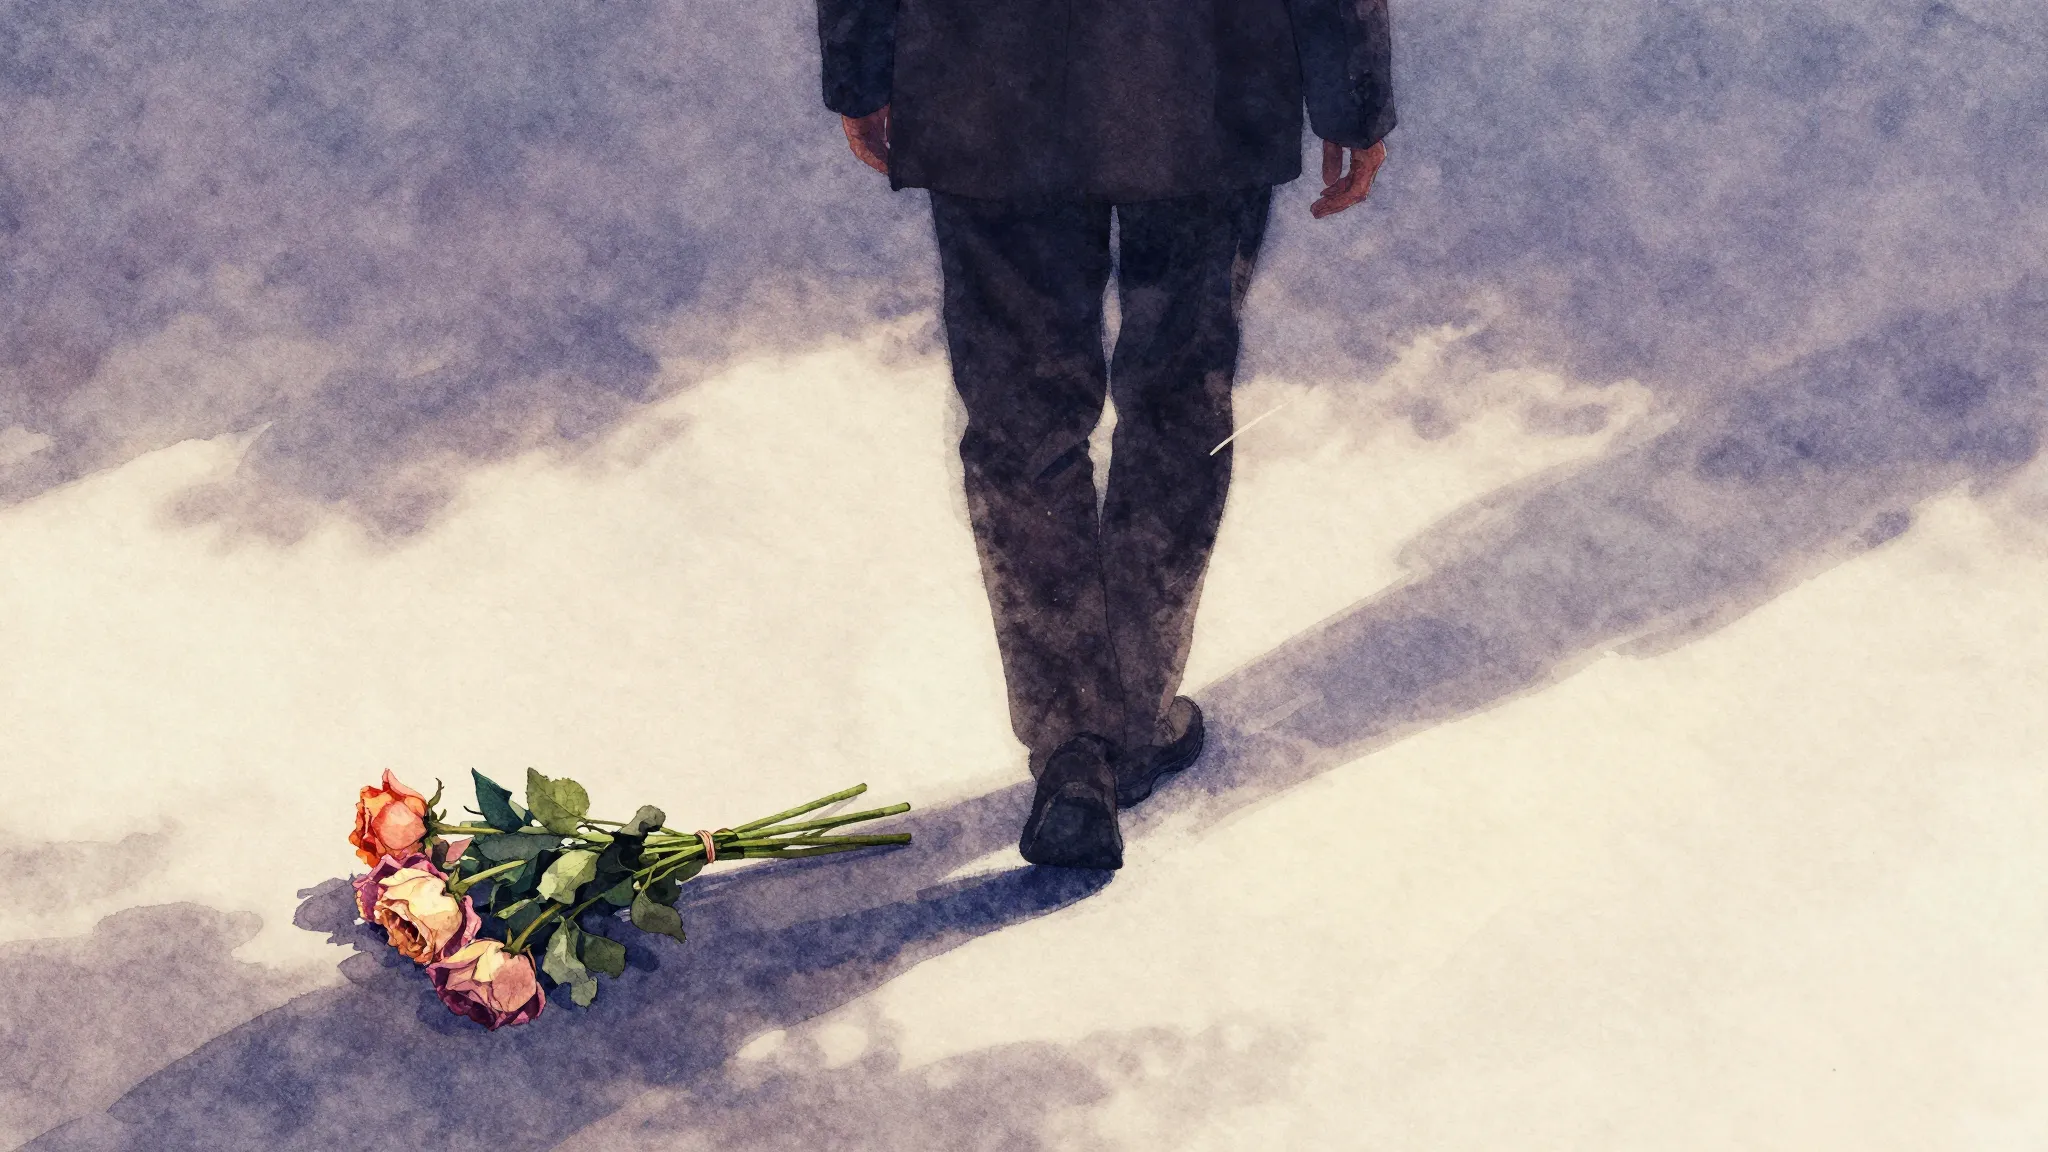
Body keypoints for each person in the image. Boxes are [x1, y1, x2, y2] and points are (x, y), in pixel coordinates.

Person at [816, 0, 1395, 868]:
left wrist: (862, 66)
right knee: (1177, 404)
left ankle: (1072, 742)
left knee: (1021, 420)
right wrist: (1353, 91)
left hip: (989, 76)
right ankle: (1134, 716)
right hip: (1208, 71)